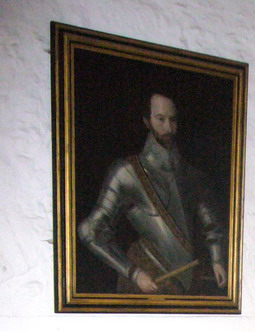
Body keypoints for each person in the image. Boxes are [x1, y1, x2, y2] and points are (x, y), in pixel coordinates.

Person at [78, 91, 227, 295]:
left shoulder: (191, 175)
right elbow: (90, 230)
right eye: (160, 119)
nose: (168, 128)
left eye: (173, 120)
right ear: (147, 121)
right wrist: (133, 273)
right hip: (148, 277)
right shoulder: (126, 172)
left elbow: (211, 224)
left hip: (189, 280)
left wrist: (217, 260)